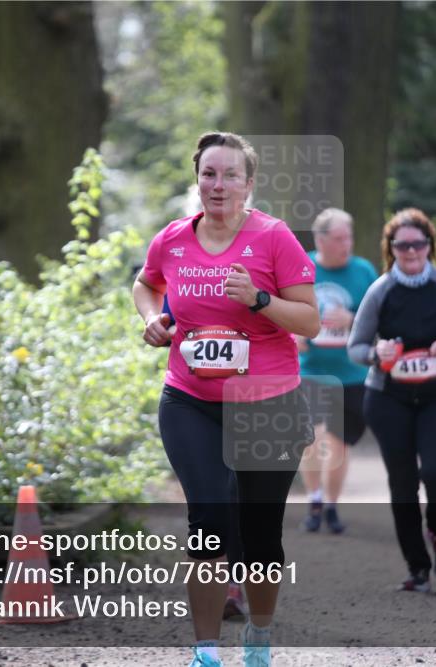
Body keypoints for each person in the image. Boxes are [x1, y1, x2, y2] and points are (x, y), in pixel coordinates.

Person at [133, 131, 320, 667]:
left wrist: (259, 300)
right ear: (197, 178)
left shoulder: (274, 238)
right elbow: (144, 284)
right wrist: (152, 320)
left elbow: (309, 320)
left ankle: (258, 639)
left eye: (230, 175)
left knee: (261, 535)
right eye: (209, 174)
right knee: (209, 514)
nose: (218, 185)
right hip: (190, 399)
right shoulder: (172, 239)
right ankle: (206, 651)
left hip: (269, 402)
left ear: (249, 183)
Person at [347, 209, 436, 592]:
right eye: (402, 244)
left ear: (429, 246)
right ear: (391, 248)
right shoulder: (381, 290)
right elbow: (355, 347)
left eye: (418, 243)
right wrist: (378, 353)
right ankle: (417, 567)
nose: (410, 250)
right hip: (388, 398)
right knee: (402, 484)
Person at [295, 208, 378, 534]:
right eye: (340, 238)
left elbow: (380, 316)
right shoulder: (301, 265)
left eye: (350, 237)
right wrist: (292, 332)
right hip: (310, 370)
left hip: (353, 374)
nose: (348, 243)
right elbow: (276, 307)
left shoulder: (363, 270)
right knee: (313, 440)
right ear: (321, 239)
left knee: (340, 444)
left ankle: (331, 505)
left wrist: (353, 320)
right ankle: (314, 501)